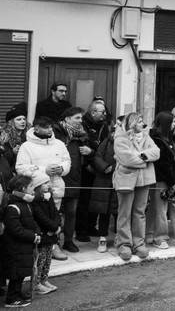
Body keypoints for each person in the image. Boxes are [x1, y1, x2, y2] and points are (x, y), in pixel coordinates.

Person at [15, 116, 71, 261]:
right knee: (38, 219)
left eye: (51, 127)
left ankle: (54, 246)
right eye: (46, 127)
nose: (50, 130)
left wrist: (62, 168)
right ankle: (38, 248)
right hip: (36, 189)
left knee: (55, 217)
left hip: (56, 186)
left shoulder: (59, 143)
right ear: (37, 128)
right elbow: (20, 168)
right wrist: (43, 170)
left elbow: (67, 161)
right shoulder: (26, 146)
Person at [113, 112, 160, 261]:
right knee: (124, 212)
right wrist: (145, 160)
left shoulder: (146, 137)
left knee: (140, 212)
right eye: (140, 122)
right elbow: (126, 158)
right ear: (132, 123)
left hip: (144, 180)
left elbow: (156, 152)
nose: (143, 124)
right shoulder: (120, 137)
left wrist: (141, 155)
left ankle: (139, 243)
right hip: (126, 179)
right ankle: (124, 244)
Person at [146, 112, 175, 249]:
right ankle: (159, 238)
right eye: (172, 122)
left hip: (173, 180)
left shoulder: (170, 138)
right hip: (161, 180)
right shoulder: (156, 140)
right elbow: (161, 164)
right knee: (160, 210)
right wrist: (172, 181)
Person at [52, 106, 90, 255]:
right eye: (77, 118)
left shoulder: (82, 135)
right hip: (58, 178)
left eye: (81, 118)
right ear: (67, 119)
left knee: (71, 212)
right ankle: (54, 243)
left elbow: (93, 151)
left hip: (75, 178)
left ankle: (68, 241)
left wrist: (89, 151)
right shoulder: (55, 133)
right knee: (54, 213)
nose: (81, 121)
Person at [2, 174, 41, 308]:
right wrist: (33, 236)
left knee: (21, 273)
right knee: (16, 273)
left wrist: (37, 232)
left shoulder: (25, 204)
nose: (33, 189)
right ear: (23, 188)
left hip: (23, 247)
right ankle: (11, 299)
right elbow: (16, 230)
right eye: (31, 186)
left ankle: (17, 294)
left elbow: (31, 221)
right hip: (15, 247)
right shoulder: (13, 207)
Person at [77, 101, 110, 242]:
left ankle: (91, 226)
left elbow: (104, 147)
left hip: (98, 167)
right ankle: (81, 230)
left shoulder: (104, 126)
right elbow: (83, 148)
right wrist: (91, 157)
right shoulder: (82, 125)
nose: (104, 114)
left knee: (95, 199)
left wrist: (93, 153)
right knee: (83, 200)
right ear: (93, 112)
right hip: (85, 168)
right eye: (102, 112)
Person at [88, 116, 117, 254]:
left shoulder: (128, 143)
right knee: (103, 212)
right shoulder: (106, 142)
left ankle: (119, 237)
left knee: (119, 211)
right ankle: (102, 237)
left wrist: (115, 167)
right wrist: (105, 167)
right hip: (104, 180)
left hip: (119, 180)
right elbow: (97, 156)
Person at [29, 171, 60, 295]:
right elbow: (40, 217)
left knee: (47, 258)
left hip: (51, 233)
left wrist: (57, 225)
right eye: (45, 183)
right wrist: (53, 228)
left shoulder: (49, 197)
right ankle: (36, 284)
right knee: (40, 260)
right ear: (38, 186)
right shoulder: (35, 201)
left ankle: (44, 279)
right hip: (43, 233)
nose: (48, 184)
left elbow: (56, 213)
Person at [1, 103, 28, 169]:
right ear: (11, 122)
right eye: (19, 119)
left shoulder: (30, 134)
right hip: (9, 169)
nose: (23, 122)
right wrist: (12, 152)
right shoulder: (4, 136)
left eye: (24, 119)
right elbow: (2, 158)